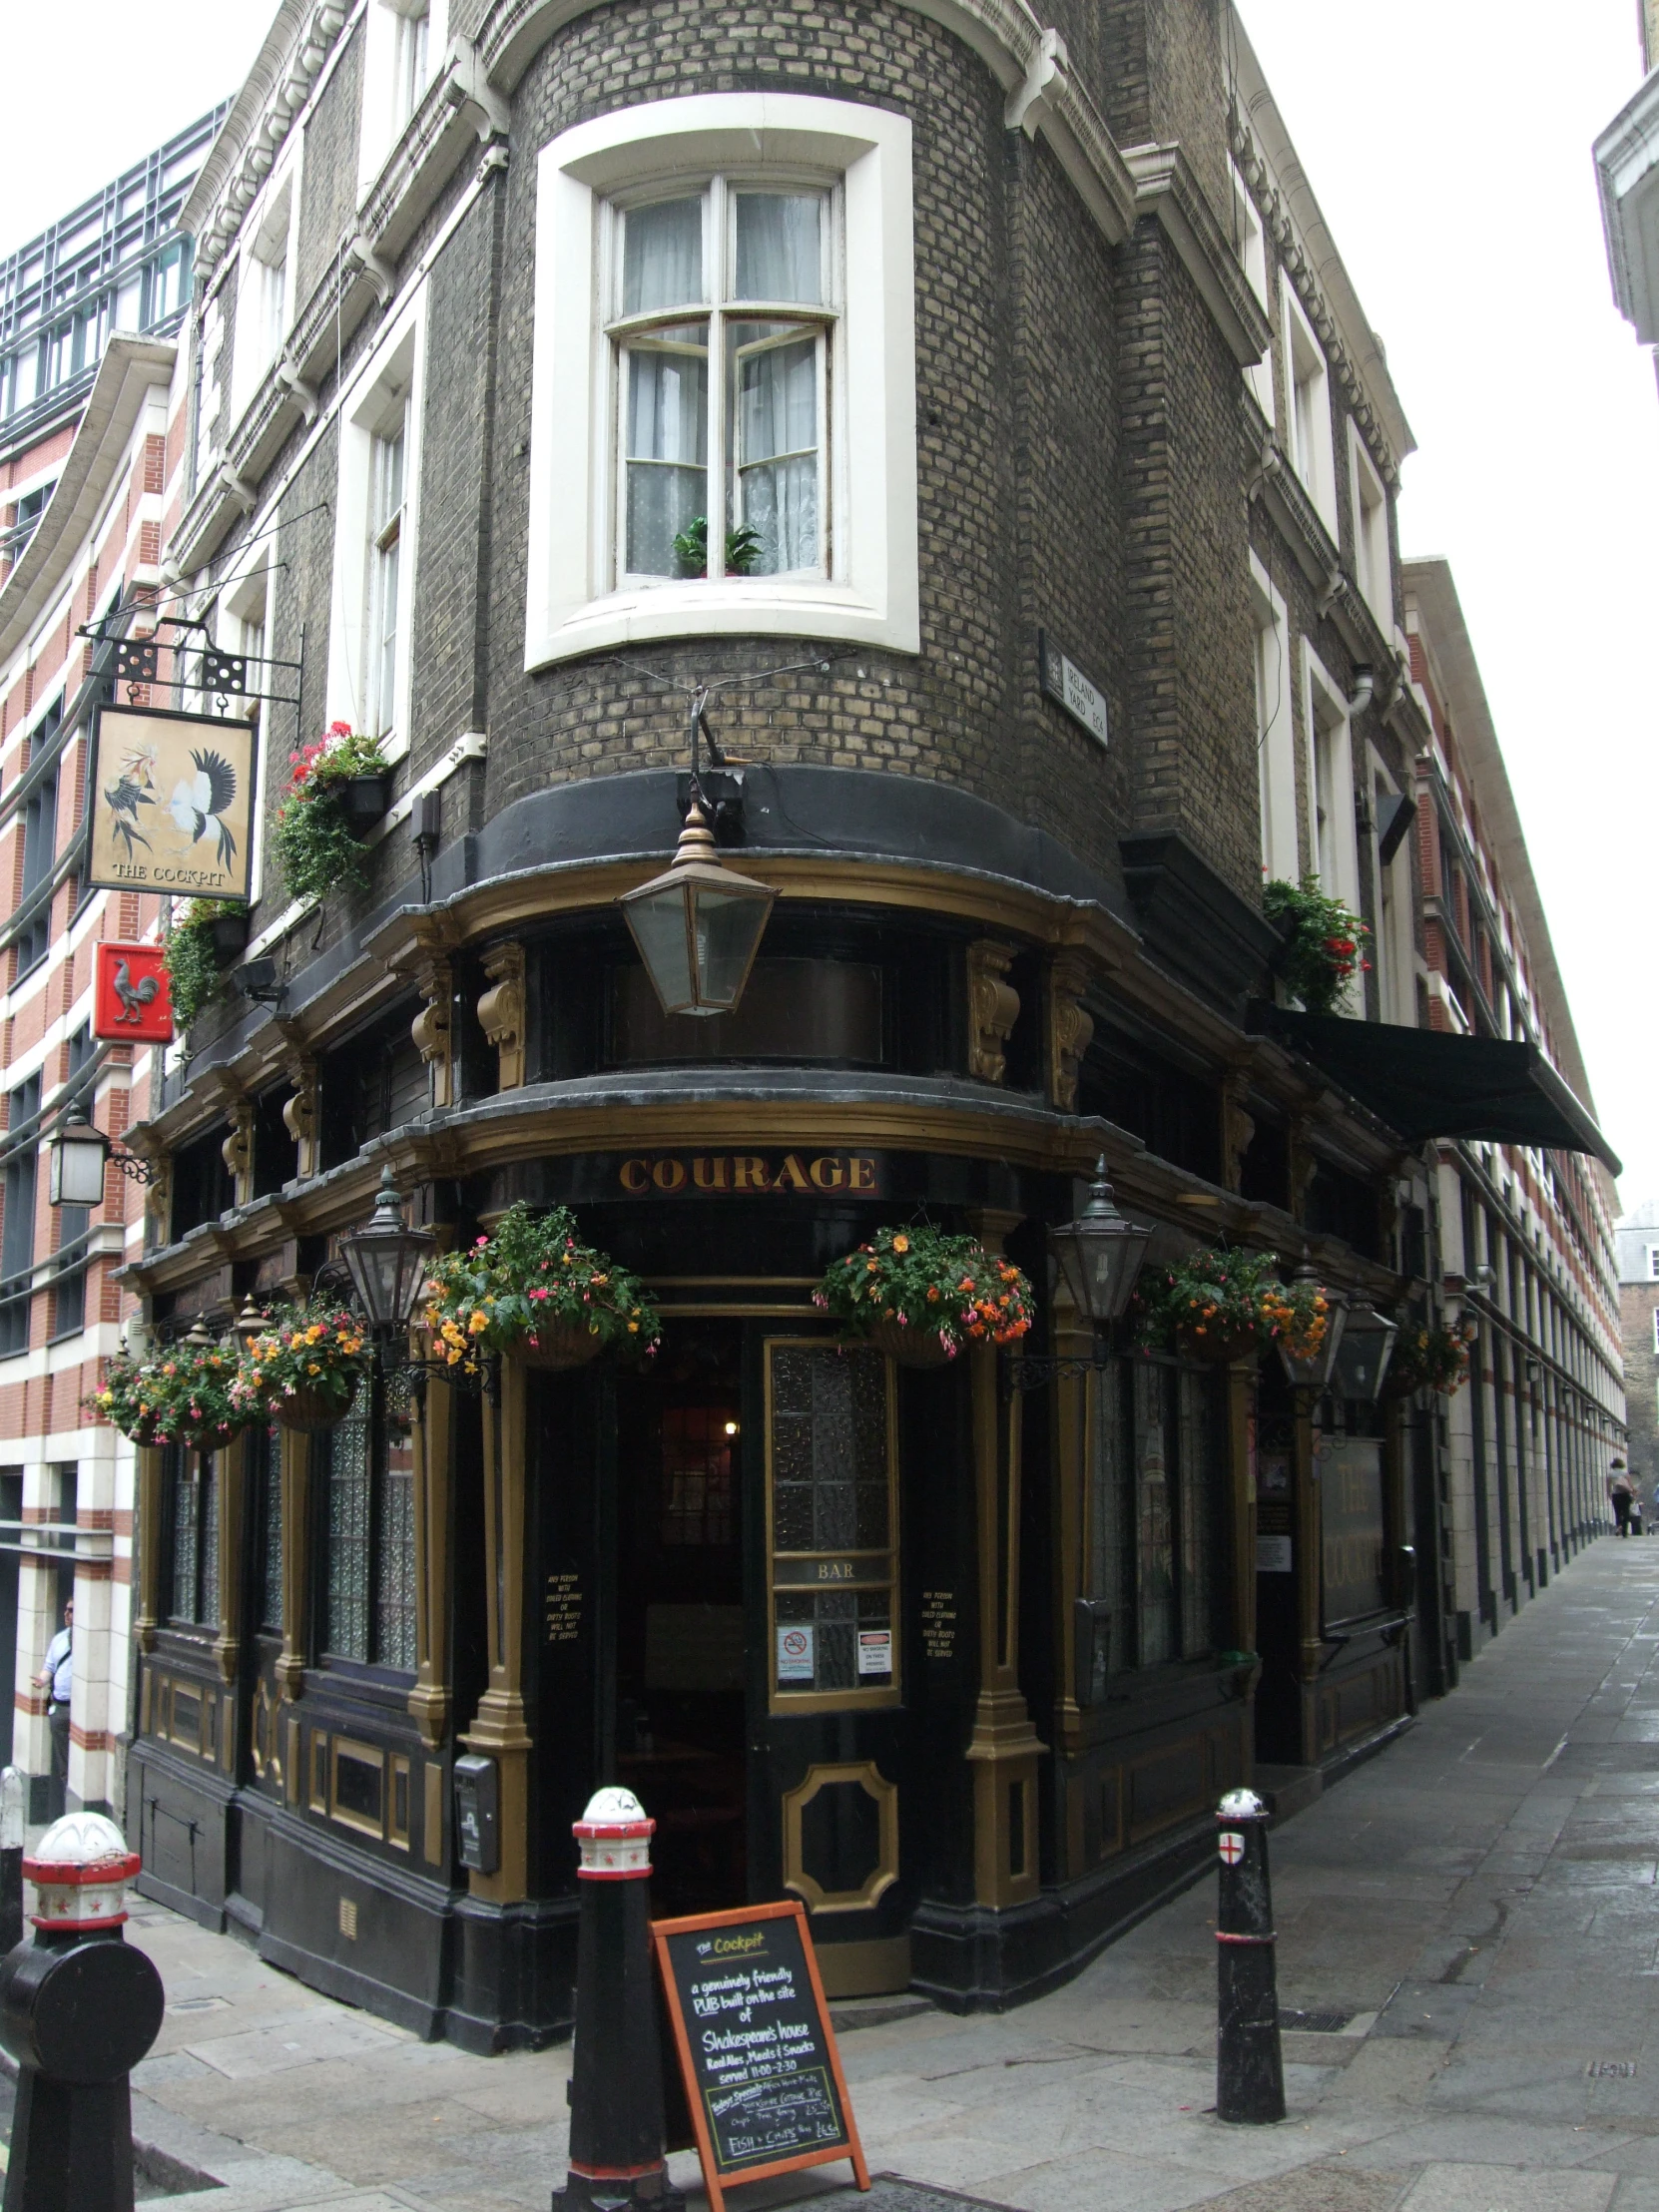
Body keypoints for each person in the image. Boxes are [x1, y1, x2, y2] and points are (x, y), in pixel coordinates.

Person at [32, 1602, 71, 1818]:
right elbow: (49, 1667)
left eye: (71, 1610)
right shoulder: (59, 1639)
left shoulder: (87, 1639)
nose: (66, 1614)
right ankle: (67, 1812)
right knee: (64, 1764)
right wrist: (41, 1680)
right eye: (65, 1609)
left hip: (78, 1708)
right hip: (60, 1707)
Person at [1610, 1469, 1635, 1538]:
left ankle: (1619, 1526)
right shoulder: (1626, 1475)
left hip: (1615, 1496)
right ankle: (1624, 1532)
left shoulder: (1611, 1475)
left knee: (1618, 1513)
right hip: (1625, 1496)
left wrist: (1609, 1495)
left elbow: (1608, 1486)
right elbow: (1631, 1486)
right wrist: (1633, 1492)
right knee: (1626, 1512)